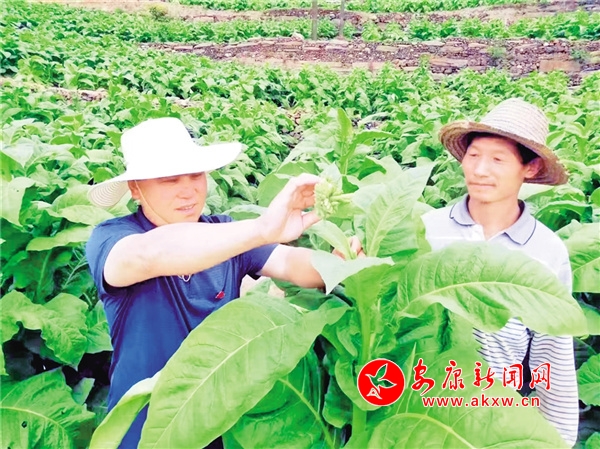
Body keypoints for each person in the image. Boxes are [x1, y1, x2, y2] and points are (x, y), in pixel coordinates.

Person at [85, 117, 361, 448]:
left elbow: (290, 263)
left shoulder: (224, 231)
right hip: (146, 431)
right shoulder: (113, 237)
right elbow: (150, 254)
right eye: (169, 179)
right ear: (135, 189)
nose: (188, 190)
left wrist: (338, 263)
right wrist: (262, 228)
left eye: (196, 175)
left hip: (221, 427)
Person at [421, 98, 577, 446]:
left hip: (495, 419)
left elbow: (551, 351)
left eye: (497, 159)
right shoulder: (426, 230)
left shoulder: (547, 250)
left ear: (531, 168)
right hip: (420, 411)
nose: (479, 170)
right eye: (474, 155)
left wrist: (559, 439)